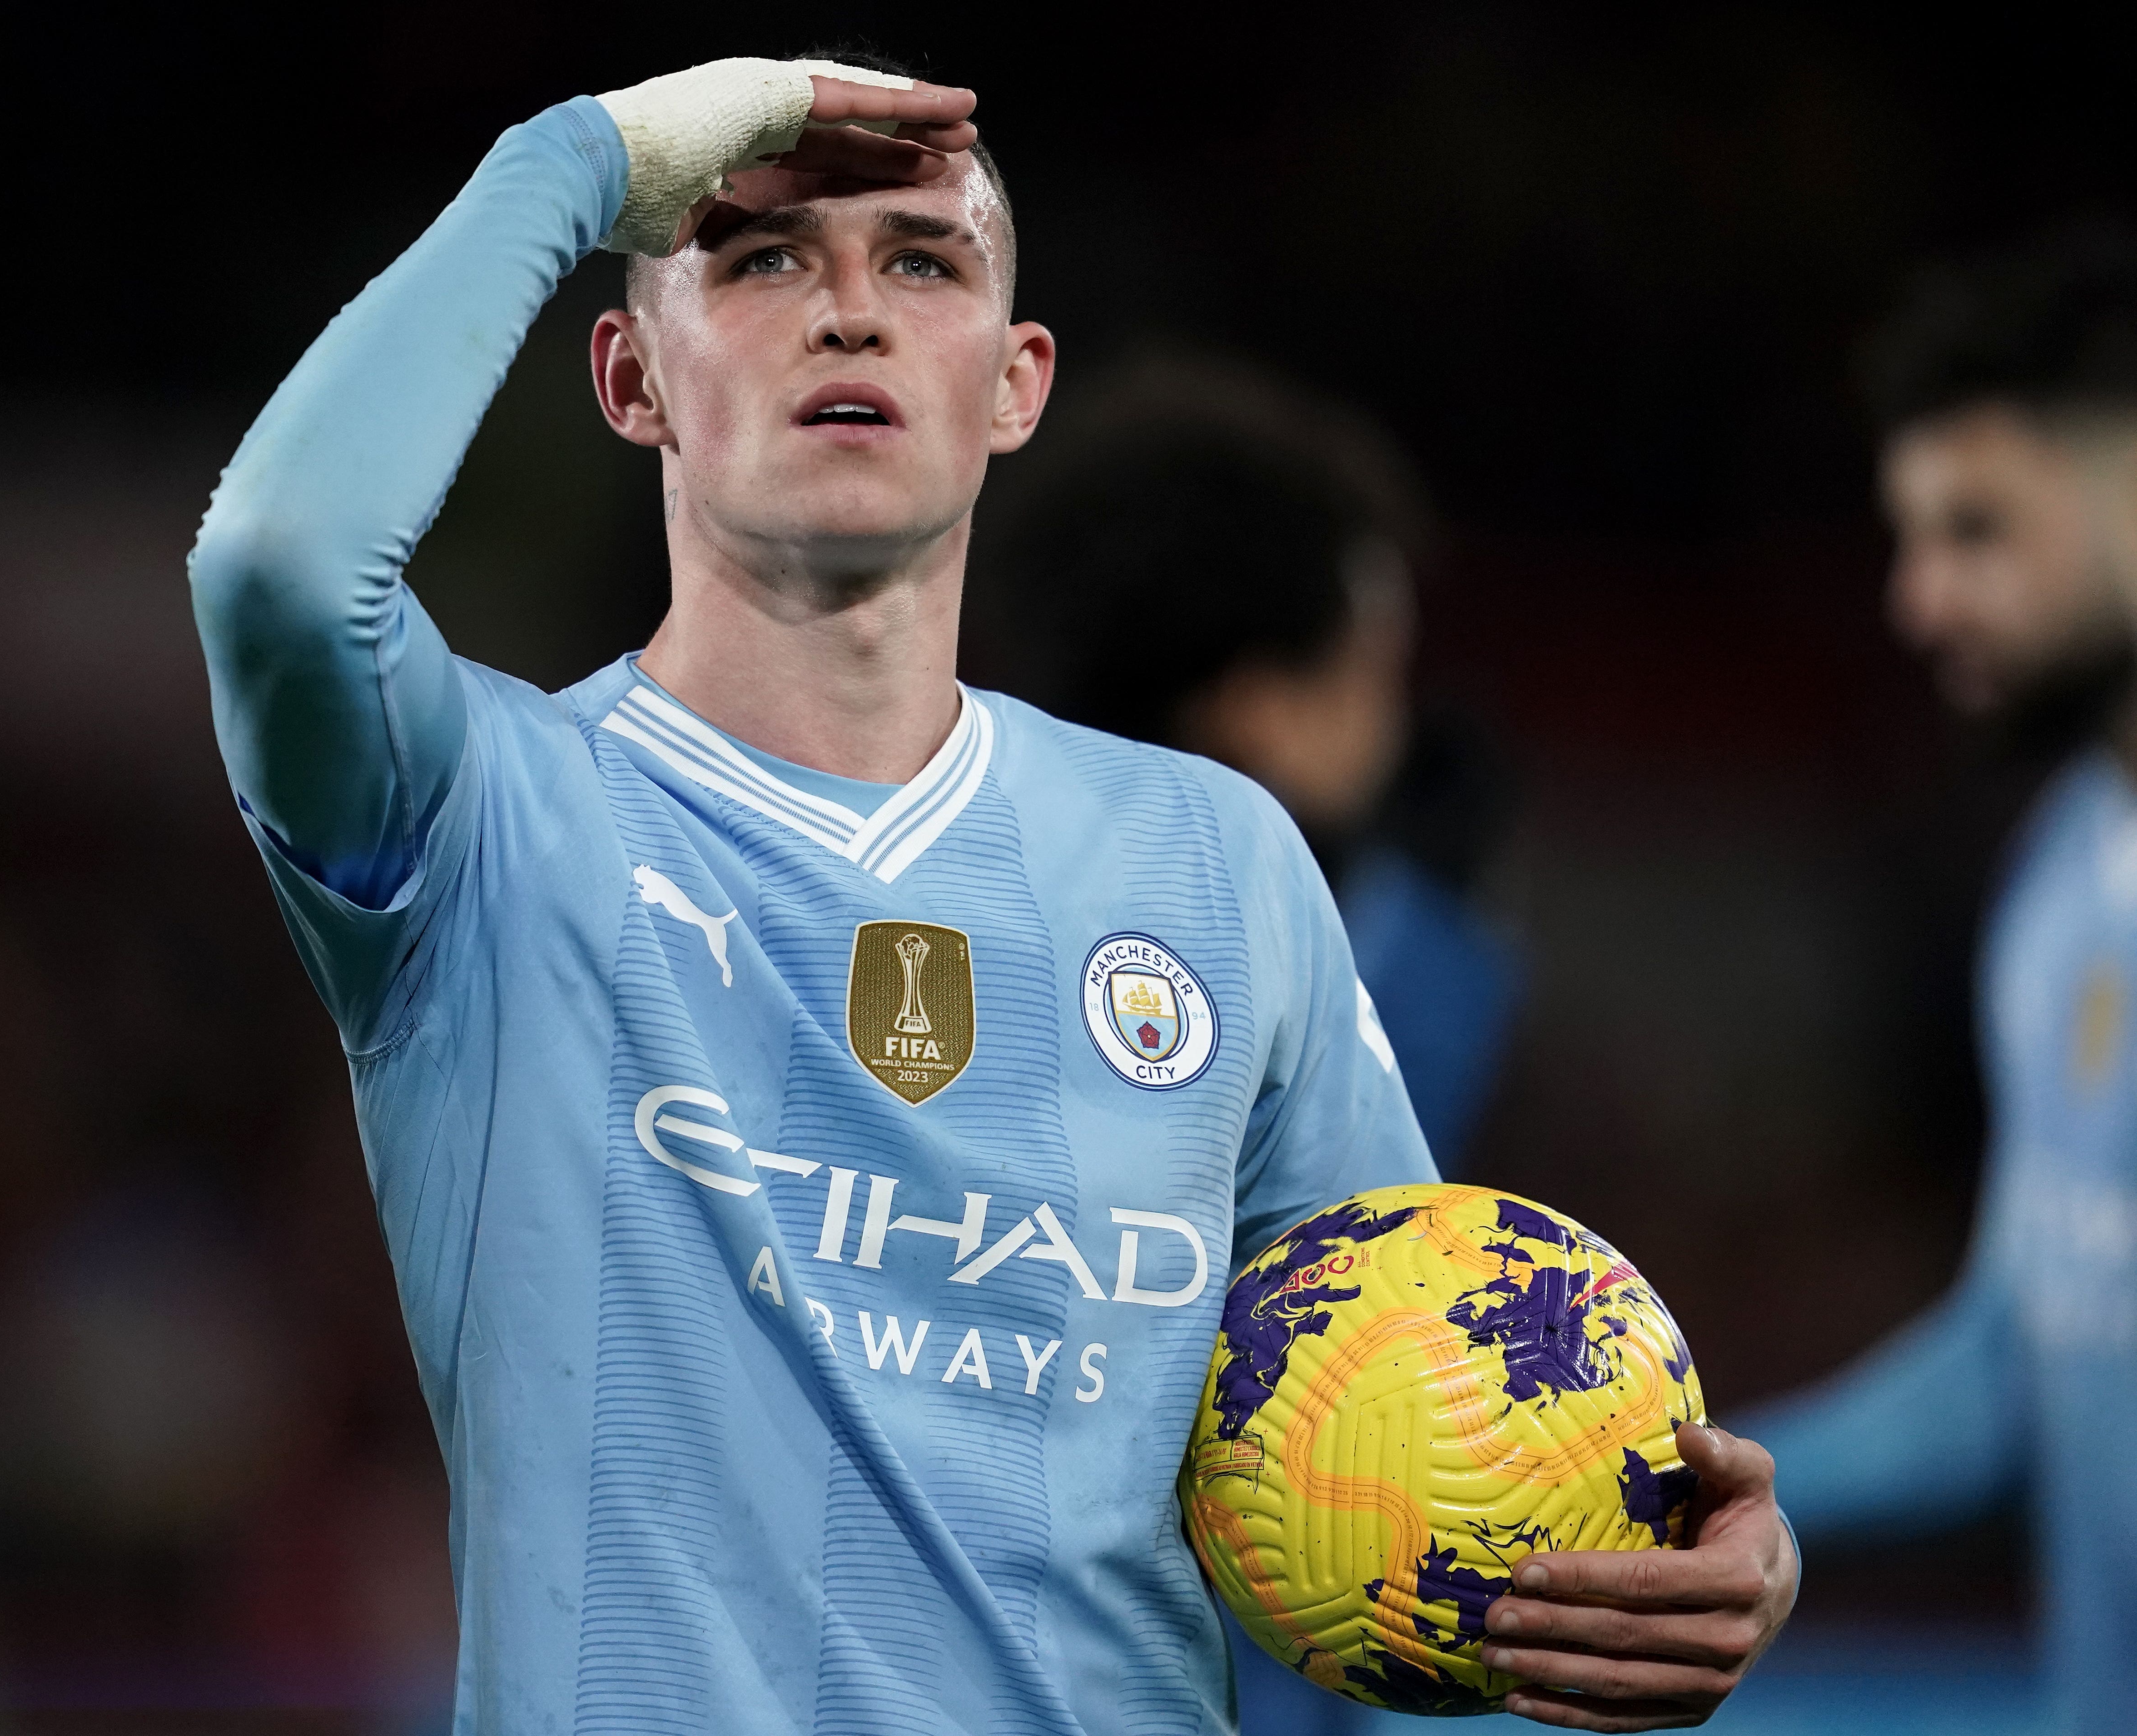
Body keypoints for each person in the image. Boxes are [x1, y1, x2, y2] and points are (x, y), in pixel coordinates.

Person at [187, 54, 1796, 1731]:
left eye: (922, 263)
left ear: (1015, 381)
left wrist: (1704, 1563)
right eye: (756, 260)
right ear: (628, 376)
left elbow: (1422, 1426)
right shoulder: (491, 814)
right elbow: (279, 567)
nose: (848, 313)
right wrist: (578, 159)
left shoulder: (1219, 857)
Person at [1745, 223, 2137, 1735]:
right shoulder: (2059, 880)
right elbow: (2019, 1349)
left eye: (1978, 528)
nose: (1917, 601)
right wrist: (1676, 1477)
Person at [998, 358, 1522, 1174]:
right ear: (1256, 706)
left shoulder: (964, 870)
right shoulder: (1340, 971)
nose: (1392, 725)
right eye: (1371, 674)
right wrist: (1427, 943)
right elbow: (1356, 1240)